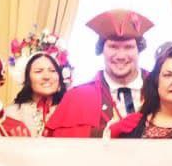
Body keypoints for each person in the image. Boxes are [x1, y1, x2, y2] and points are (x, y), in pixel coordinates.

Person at [45, 9, 153, 137]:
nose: (121, 56)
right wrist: (107, 133)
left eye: (129, 47)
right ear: (102, 49)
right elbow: (58, 144)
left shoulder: (161, 89)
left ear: (139, 50)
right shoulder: (77, 97)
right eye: (113, 46)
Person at [5, 28, 69, 137]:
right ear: (27, 78)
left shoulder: (70, 111)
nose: (47, 76)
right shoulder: (11, 114)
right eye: (38, 71)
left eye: (52, 70)